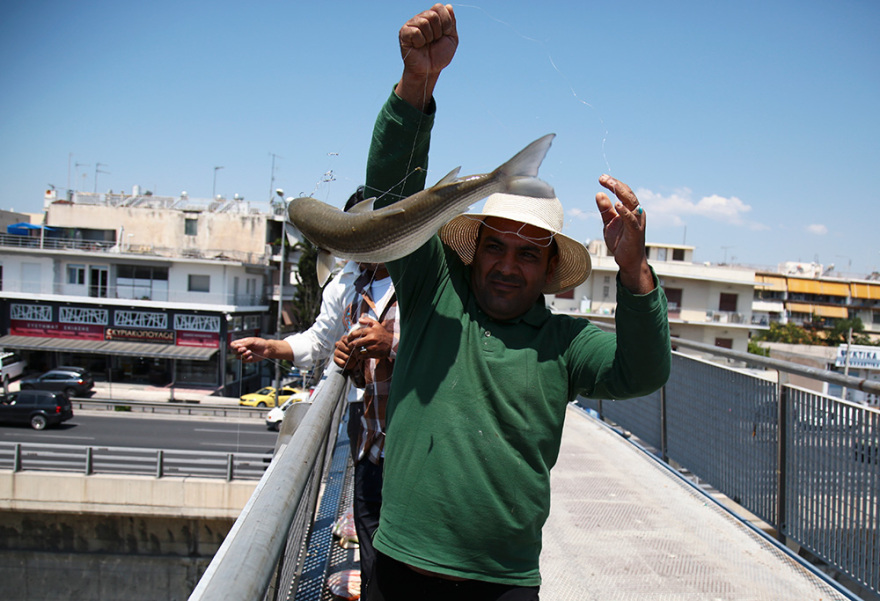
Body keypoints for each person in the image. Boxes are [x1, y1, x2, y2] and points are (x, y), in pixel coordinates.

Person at [360, 5, 671, 601]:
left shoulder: (565, 345)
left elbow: (644, 370)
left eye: (528, 255)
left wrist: (634, 271)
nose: (506, 264)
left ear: (552, 270)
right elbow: (392, 198)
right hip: (397, 571)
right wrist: (417, 84)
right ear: (472, 250)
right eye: (495, 246)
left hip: (502, 587)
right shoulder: (433, 288)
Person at [230, 188, 397, 596]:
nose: (361, 240)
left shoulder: (421, 279)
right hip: (369, 426)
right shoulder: (348, 281)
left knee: (397, 537)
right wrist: (273, 347)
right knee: (370, 519)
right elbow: (320, 341)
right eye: (353, 232)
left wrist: (390, 343)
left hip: (410, 429)